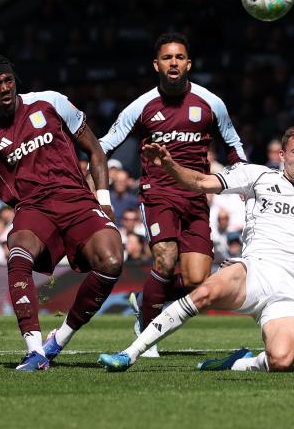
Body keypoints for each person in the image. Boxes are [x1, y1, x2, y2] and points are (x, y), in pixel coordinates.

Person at [98, 125, 294, 373]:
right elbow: (200, 182)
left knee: (282, 361)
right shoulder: (257, 176)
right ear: (282, 154)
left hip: (291, 289)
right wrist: (170, 166)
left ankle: (239, 363)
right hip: (253, 271)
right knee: (203, 292)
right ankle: (129, 353)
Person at [0, 53, 122, 371]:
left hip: (77, 200)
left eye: (8, 80)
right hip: (34, 207)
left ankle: (59, 340)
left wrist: (104, 203)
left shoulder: (50, 102)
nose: (4, 87)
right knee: (18, 253)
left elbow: (95, 150)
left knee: (112, 262)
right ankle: (35, 350)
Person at [99, 33, 246, 358]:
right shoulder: (141, 106)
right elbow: (105, 143)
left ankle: (147, 299)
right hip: (158, 193)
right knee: (165, 260)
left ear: (189, 63)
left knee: (197, 280)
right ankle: (147, 334)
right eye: (167, 58)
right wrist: (88, 175)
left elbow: (234, 146)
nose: (174, 62)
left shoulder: (210, 103)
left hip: (196, 196)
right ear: (157, 64)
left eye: (180, 57)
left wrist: (247, 182)